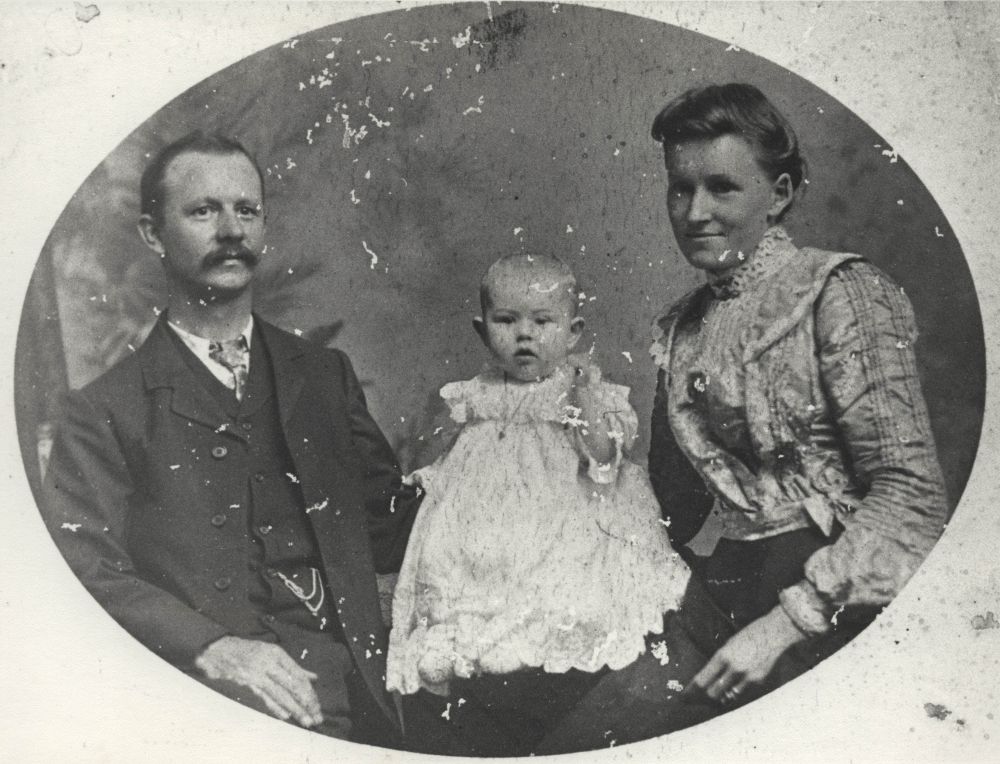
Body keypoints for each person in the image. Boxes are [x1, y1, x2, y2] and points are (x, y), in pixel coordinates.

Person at [535, 82, 949, 753]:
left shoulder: (841, 293)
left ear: (779, 195)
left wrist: (790, 622)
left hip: (842, 599)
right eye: (680, 188)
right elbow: (672, 507)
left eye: (722, 188)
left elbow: (912, 496)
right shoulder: (683, 329)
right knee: (582, 730)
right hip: (727, 583)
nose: (695, 212)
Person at [40, 131, 419, 745]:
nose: (232, 230)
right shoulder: (104, 410)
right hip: (214, 706)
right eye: (202, 211)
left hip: (359, 685)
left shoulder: (324, 376)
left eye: (246, 210)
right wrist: (212, 646)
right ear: (152, 234)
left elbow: (388, 524)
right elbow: (83, 567)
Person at [389, 254, 691, 756]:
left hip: (567, 516)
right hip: (490, 519)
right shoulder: (474, 396)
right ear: (482, 330)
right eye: (506, 322)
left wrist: (586, 401)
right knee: (465, 576)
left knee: (567, 589)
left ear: (572, 332)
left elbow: (603, 459)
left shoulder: (585, 390)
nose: (524, 335)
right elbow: (443, 460)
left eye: (542, 322)